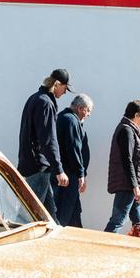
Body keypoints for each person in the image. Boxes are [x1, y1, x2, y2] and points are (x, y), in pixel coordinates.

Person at [17, 69, 71, 218]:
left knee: (49, 214)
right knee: (27, 215)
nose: (65, 93)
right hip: (38, 166)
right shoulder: (45, 103)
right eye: (65, 88)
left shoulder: (35, 98)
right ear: (57, 84)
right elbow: (48, 140)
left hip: (33, 164)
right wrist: (59, 170)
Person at [105, 100, 140, 233]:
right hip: (127, 185)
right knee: (118, 220)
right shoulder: (127, 130)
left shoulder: (131, 130)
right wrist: (135, 186)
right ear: (137, 115)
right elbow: (127, 160)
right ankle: (105, 243)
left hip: (129, 185)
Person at [54, 93, 93, 227]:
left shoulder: (64, 118)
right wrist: (80, 173)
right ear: (81, 108)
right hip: (69, 175)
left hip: (67, 173)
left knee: (74, 212)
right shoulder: (71, 121)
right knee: (64, 211)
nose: (89, 115)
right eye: (88, 111)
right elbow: (73, 149)